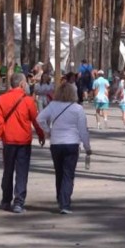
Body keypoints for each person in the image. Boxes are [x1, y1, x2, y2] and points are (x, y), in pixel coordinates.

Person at [0, 73, 45, 214]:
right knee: (22, 172)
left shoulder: (2, 99)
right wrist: (41, 135)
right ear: (22, 84)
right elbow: (36, 120)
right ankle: (18, 203)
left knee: (8, 171)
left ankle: (5, 200)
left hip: (8, 140)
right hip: (23, 141)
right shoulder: (28, 101)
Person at [37, 83, 91, 214]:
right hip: (72, 143)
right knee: (68, 173)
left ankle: (60, 198)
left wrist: (48, 130)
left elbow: (39, 118)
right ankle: (65, 203)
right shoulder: (78, 108)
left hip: (56, 143)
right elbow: (83, 130)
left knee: (59, 172)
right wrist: (87, 146)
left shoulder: (53, 106)